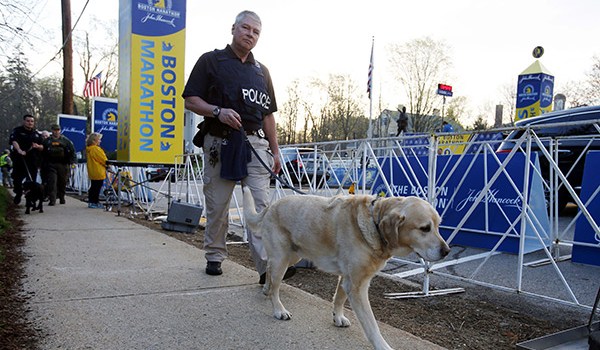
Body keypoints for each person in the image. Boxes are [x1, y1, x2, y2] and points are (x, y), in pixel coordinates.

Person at [182, 10, 295, 283]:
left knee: (260, 208)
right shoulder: (211, 61)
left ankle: (267, 269)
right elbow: (190, 100)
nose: (250, 34)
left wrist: (275, 149)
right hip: (220, 141)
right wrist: (217, 111)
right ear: (233, 28)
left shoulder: (262, 72)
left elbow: (268, 115)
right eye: (246, 28)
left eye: (256, 32)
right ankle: (214, 255)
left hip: (255, 144)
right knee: (217, 206)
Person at [9, 114, 44, 205]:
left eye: (32, 121)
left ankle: (31, 199)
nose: (30, 123)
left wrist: (37, 146)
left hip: (32, 161)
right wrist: (19, 150)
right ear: (24, 121)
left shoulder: (36, 134)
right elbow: (14, 141)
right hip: (20, 160)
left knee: (32, 182)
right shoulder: (17, 131)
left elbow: (42, 146)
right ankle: (18, 192)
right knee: (17, 180)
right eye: (28, 121)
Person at [42, 124, 76, 206]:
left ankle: (61, 197)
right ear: (52, 130)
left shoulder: (65, 141)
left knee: (62, 182)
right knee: (52, 182)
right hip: (51, 164)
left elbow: (72, 151)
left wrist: (73, 162)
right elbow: (42, 152)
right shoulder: (47, 141)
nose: (56, 132)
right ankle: (52, 199)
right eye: (54, 130)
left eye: (57, 130)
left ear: (60, 130)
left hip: (63, 164)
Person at [85, 132, 107, 209]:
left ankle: (91, 201)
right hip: (98, 171)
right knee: (97, 187)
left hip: (92, 171)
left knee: (93, 187)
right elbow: (103, 159)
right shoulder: (96, 149)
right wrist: (108, 165)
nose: (100, 141)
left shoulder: (89, 149)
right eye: (99, 140)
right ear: (94, 141)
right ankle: (95, 202)